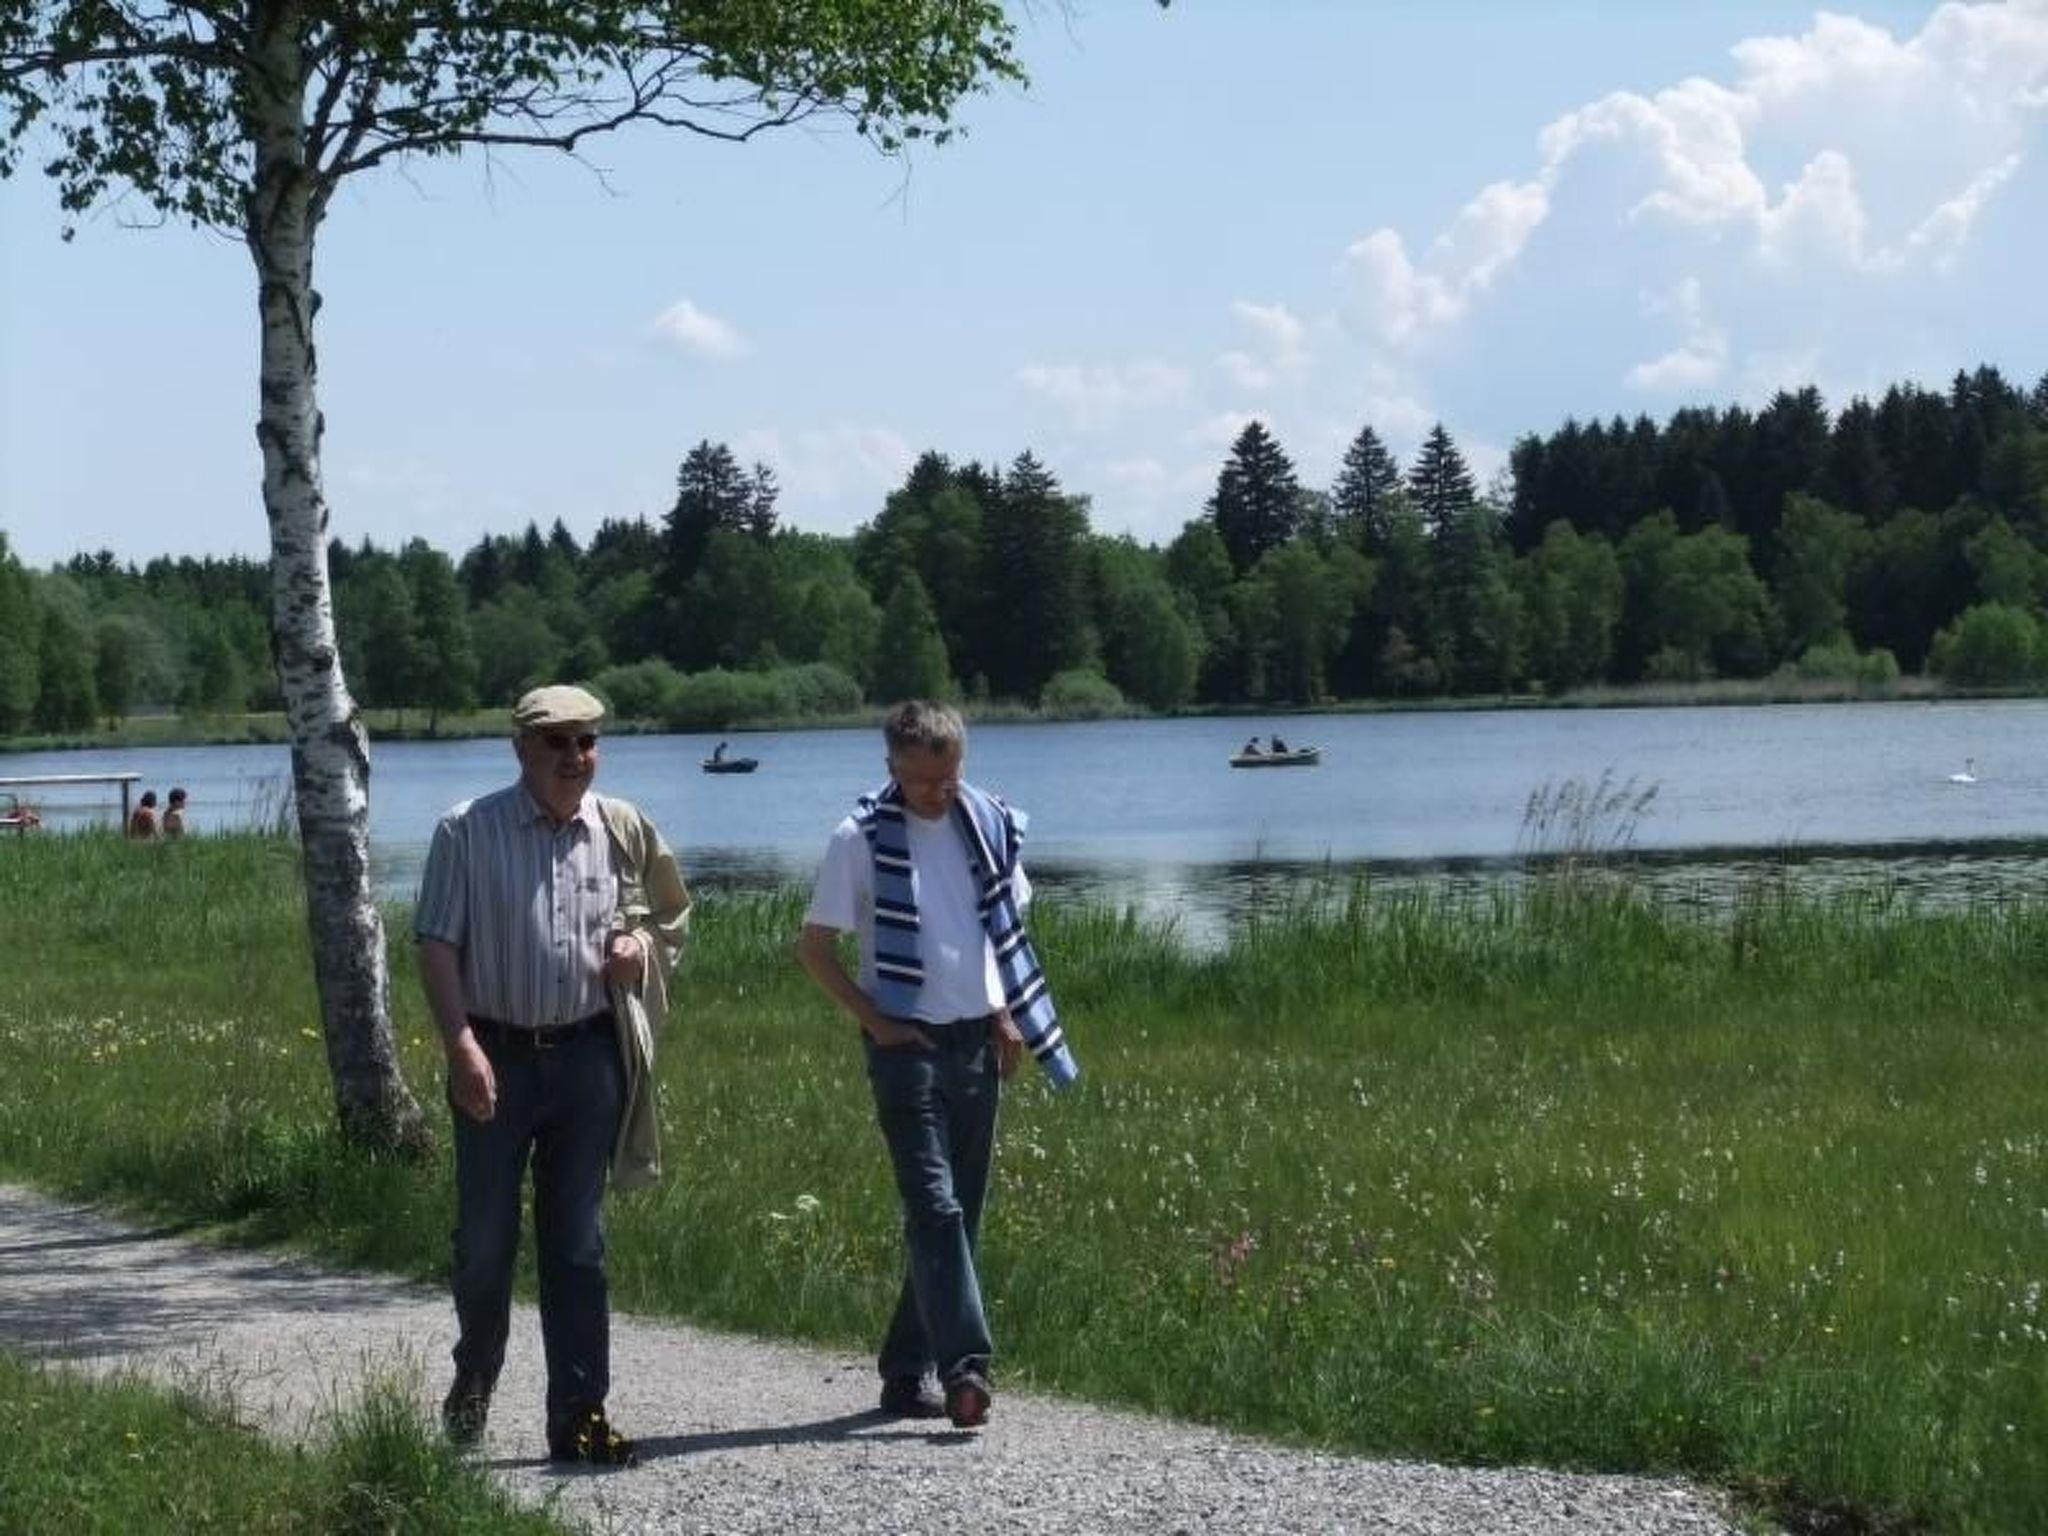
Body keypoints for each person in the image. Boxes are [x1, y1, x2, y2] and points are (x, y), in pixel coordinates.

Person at [414, 683, 690, 1468]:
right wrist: (460, 1046)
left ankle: (579, 1415)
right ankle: (475, 1377)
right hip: (494, 1056)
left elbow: (668, 915)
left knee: (578, 1245)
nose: (575, 757)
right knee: (485, 1241)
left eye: (587, 742)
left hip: (587, 1059)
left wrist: (638, 947)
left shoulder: (621, 829)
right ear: (522, 749)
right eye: (557, 743)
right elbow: (435, 945)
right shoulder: (467, 830)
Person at [796, 699, 1078, 1430]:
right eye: (922, 780)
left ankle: (902, 1372)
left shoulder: (987, 824)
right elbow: (815, 950)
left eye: (949, 777)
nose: (937, 792)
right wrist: (877, 1023)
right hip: (906, 1048)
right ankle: (966, 1370)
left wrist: (1005, 1013)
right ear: (891, 766)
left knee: (960, 1217)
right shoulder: (858, 839)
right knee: (935, 1207)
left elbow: (1001, 930)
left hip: (977, 1041)